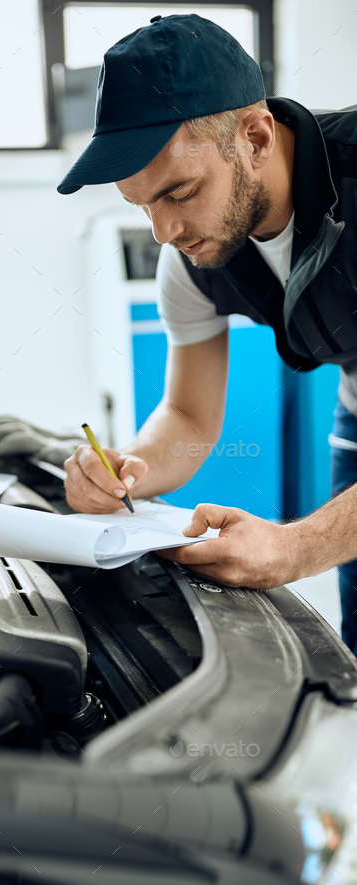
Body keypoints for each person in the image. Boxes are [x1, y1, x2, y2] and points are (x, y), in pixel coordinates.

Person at [58, 14, 357, 653]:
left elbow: (301, 548)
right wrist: (129, 468)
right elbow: (190, 417)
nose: (163, 231)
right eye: (142, 206)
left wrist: (294, 546)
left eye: (180, 193)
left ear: (254, 138)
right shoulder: (189, 263)